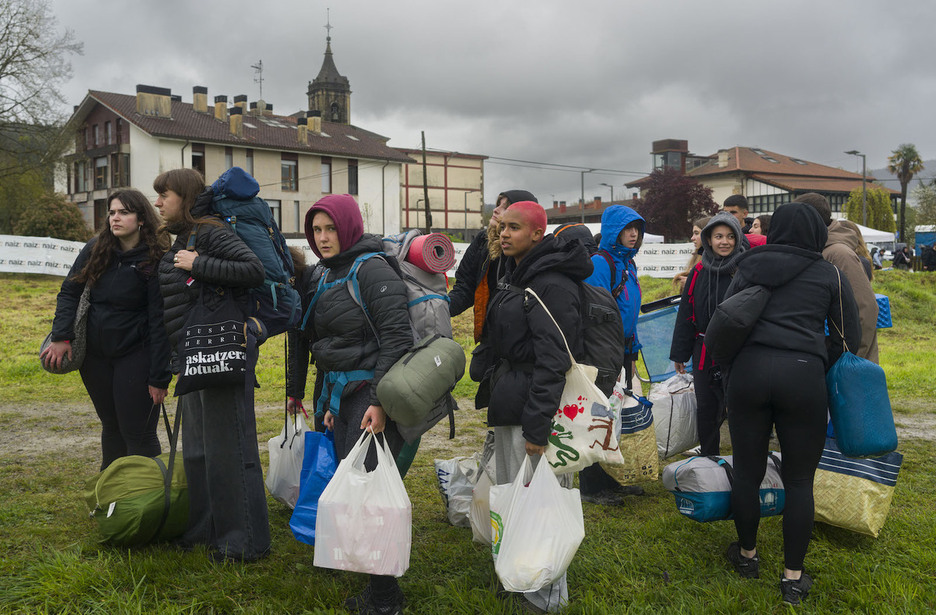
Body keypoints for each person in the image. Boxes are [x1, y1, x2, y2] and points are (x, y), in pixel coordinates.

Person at [720, 201, 861, 606]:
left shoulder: (747, 267)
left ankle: (747, 556)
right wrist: (817, 361)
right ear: (817, 233)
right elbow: (848, 337)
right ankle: (793, 579)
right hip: (802, 376)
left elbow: (727, 320)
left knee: (747, 472)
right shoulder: (828, 273)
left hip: (748, 374)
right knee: (799, 480)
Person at [286, 194, 411, 615]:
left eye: (331, 229)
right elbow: (327, 344)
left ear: (350, 228)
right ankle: (373, 578)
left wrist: (379, 402)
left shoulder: (373, 269)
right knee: (352, 487)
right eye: (316, 230)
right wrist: (328, 400)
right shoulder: (326, 271)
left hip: (371, 396)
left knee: (371, 494)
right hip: (342, 396)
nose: (323, 238)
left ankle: (386, 598)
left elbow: (397, 338)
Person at [153, 168, 270, 563]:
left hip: (220, 352)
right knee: (199, 451)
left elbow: (253, 270)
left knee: (229, 450)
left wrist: (199, 263)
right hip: (193, 356)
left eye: (165, 195)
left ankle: (244, 542)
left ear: (185, 198)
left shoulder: (210, 232)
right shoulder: (183, 237)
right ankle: (205, 531)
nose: (158, 203)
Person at [482, 200, 592, 613]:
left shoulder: (552, 284)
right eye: (502, 227)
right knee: (516, 496)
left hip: (536, 407)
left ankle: (545, 594)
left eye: (514, 227)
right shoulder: (515, 273)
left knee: (542, 502)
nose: (504, 233)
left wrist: (538, 426)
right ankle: (519, 574)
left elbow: (554, 360)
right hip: (513, 398)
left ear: (537, 233)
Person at [42, 189, 171, 470]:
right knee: (111, 426)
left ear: (141, 219)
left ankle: (146, 492)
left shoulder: (156, 257)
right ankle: (111, 489)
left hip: (136, 354)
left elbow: (160, 319)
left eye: (124, 212)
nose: (115, 218)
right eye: (112, 212)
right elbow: (69, 292)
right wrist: (62, 336)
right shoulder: (96, 248)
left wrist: (160, 375)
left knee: (137, 432)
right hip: (96, 357)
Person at [579, 205, 646, 504]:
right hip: (601, 352)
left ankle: (606, 478)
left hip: (621, 350)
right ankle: (590, 486)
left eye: (637, 229)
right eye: (627, 228)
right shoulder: (600, 263)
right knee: (596, 416)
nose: (633, 234)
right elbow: (595, 315)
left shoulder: (628, 263)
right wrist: (608, 353)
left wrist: (631, 349)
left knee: (610, 415)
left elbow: (628, 311)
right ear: (612, 230)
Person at [669, 212, 745, 456]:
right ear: (709, 240)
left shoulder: (745, 269)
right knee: (707, 407)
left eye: (730, 236)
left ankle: (744, 460)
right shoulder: (699, 271)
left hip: (739, 351)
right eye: (718, 236)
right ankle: (709, 458)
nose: (725, 242)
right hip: (704, 350)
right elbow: (686, 312)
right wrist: (679, 353)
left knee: (739, 407)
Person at [794, 193, 879, 363]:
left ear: (809, 220)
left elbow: (864, 310)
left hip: (846, 364)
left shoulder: (839, 254)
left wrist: (848, 360)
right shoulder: (820, 249)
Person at [448, 189, 537, 341]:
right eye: (498, 204)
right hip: (489, 336)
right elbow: (465, 287)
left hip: (521, 340)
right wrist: (439, 308)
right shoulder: (483, 241)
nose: (496, 210)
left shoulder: (531, 251)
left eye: (505, 207)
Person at [673, 216, 710, 292]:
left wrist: (692, 284)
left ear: (707, 235)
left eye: (696, 233)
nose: (692, 238)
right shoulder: (698, 256)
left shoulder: (713, 262)